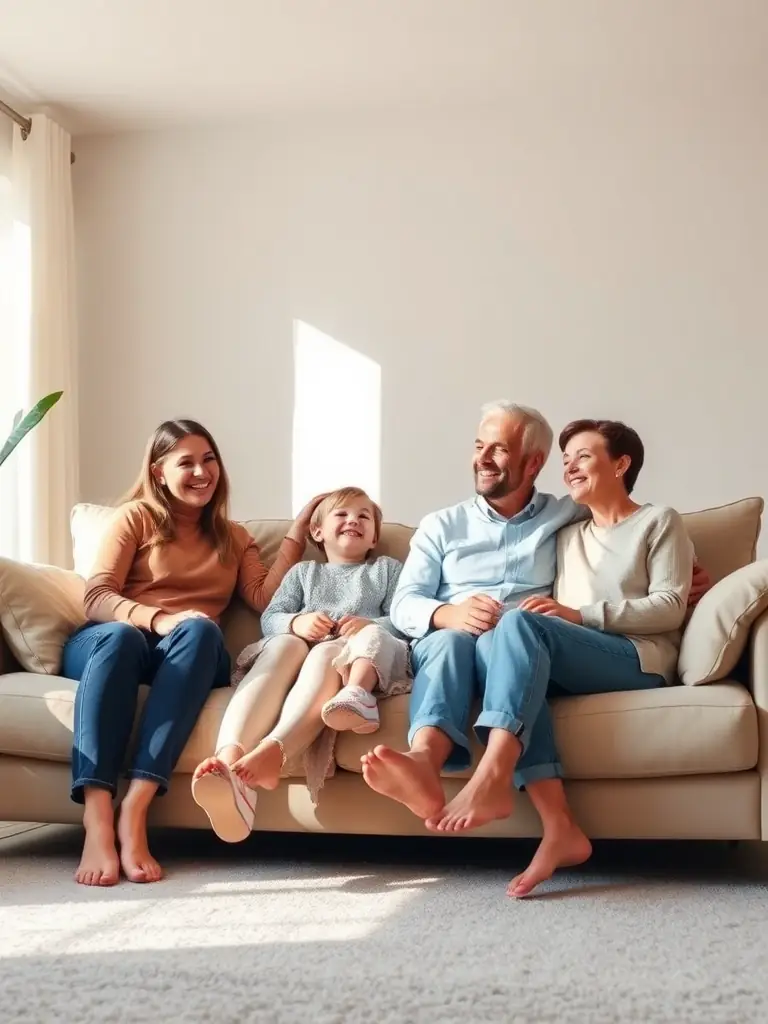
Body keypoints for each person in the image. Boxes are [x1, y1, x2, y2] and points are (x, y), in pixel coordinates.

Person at [361, 402, 709, 896]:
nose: (483, 457)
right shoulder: (564, 529)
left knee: (518, 625)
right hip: (491, 646)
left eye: (499, 449)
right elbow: (406, 603)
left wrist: (693, 577)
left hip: (632, 654)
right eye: (479, 446)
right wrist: (449, 613)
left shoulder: (611, 517)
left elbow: (663, 591)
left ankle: (493, 775)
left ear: (532, 463)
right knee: (487, 649)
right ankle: (553, 823)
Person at [62, 418, 323, 887]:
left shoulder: (233, 537)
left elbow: (264, 599)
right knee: (123, 637)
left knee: (203, 631)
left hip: (187, 651)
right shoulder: (135, 518)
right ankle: (97, 817)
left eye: (209, 460)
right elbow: (97, 597)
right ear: (158, 472)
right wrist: (160, 618)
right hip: (111, 642)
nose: (202, 472)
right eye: (187, 463)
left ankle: (135, 808)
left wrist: (297, 532)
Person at [191, 487, 411, 843]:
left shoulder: (386, 570)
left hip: (346, 659)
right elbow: (271, 617)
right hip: (296, 655)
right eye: (342, 514)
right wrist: (297, 622)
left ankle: (272, 751)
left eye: (364, 516)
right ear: (317, 531)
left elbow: (404, 618)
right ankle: (228, 763)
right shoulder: (303, 573)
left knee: (326, 653)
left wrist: (370, 624)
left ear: (374, 537)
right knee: (285, 643)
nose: (353, 520)